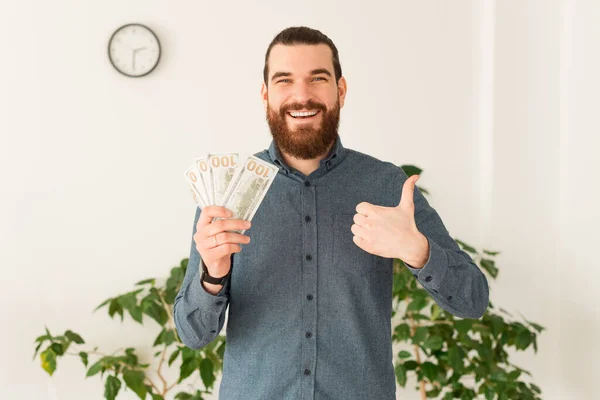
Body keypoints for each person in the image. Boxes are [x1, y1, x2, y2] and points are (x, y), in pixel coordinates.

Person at [174, 26, 489, 400]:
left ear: (340, 90)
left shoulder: (387, 185)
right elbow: (192, 335)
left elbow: (473, 300)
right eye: (285, 80)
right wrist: (212, 275)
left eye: (317, 79)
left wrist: (418, 250)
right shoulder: (226, 192)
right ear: (266, 95)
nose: (301, 95)